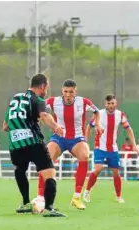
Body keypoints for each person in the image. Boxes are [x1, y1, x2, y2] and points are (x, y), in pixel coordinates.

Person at [2, 73, 66, 217]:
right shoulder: (37, 99)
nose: (47, 90)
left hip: (15, 143)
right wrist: (56, 127)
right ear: (43, 86)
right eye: (47, 87)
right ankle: (49, 209)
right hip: (33, 142)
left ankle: (25, 203)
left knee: (20, 169)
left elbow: (5, 126)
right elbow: (44, 116)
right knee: (49, 173)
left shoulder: (15, 99)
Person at [35, 79, 102, 210]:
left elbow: (97, 112)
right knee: (45, 159)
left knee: (84, 155)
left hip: (76, 138)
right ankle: (40, 198)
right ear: (62, 91)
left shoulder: (83, 102)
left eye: (71, 92)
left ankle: (76, 198)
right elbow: (40, 107)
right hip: (59, 138)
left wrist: (98, 123)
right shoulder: (54, 101)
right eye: (65, 92)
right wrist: (38, 118)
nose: (68, 95)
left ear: (75, 92)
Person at [83, 94, 139, 203]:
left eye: (112, 103)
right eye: (109, 103)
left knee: (116, 173)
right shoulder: (99, 114)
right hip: (100, 147)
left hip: (113, 149)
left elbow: (128, 129)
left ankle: (118, 196)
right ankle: (87, 191)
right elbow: (89, 127)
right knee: (98, 169)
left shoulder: (120, 115)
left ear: (116, 103)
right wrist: (85, 142)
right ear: (105, 104)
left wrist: (134, 145)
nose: (111, 105)